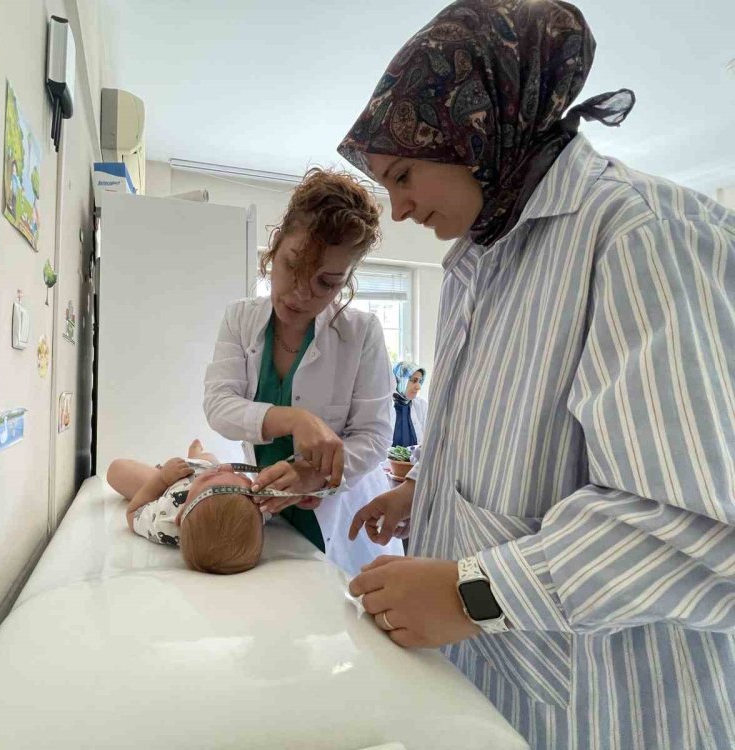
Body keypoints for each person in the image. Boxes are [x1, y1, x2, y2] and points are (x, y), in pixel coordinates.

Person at [338, 1, 735, 748]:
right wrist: (429, 489)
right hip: (495, 686)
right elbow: (536, 446)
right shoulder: (483, 257)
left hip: (614, 711)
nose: (397, 207)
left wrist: (473, 593)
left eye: (403, 174)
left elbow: (701, 528)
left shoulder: (641, 235)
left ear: (472, 129)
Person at [204, 168, 401, 575]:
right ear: (274, 249)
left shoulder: (360, 333)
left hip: (338, 510)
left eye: (327, 283)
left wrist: (316, 475)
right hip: (268, 507)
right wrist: (295, 419)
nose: (303, 293)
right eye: (293, 266)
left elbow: (375, 435)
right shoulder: (241, 319)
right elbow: (219, 406)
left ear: (345, 282)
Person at [106, 439, 319, 574]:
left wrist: (162, 479)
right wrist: (302, 496)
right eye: (240, 476)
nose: (230, 470)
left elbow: (134, 510)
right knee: (209, 460)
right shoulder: (256, 511)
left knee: (116, 470)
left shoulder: (165, 519)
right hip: (202, 471)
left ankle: (190, 459)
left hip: (171, 486)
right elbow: (279, 500)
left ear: (180, 517)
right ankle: (198, 455)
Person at [391, 361, 427, 448]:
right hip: (388, 461)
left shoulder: (422, 405)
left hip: (416, 461)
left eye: (420, 381)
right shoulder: (384, 406)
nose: (418, 387)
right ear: (399, 381)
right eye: (414, 381)